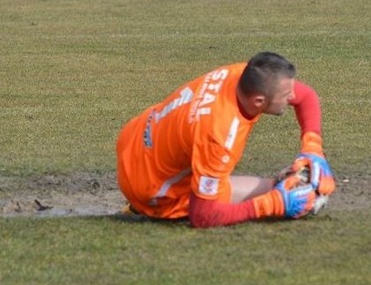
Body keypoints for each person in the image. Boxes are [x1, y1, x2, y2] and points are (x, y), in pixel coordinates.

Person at [115, 52, 336, 229]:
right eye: (286, 95)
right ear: (259, 101)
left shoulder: (242, 74)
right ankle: (142, 206)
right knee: (273, 193)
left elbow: (307, 97)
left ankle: (280, 187)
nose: (291, 97)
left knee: (279, 187)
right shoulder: (219, 135)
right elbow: (203, 216)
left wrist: (312, 148)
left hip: (135, 141)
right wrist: (274, 204)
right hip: (149, 188)